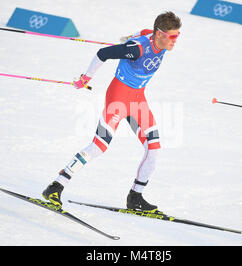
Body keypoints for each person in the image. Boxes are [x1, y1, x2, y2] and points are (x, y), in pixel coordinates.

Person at [43, 11, 182, 212]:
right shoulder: (136, 50)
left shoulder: (154, 38)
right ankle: (55, 186)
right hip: (118, 98)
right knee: (99, 146)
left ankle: (135, 197)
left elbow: (142, 32)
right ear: (159, 34)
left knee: (154, 149)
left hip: (137, 100)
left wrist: (129, 36)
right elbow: (103, 54)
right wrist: (85, 78)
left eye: (177, 36)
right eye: (173, 36)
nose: (175, 41)